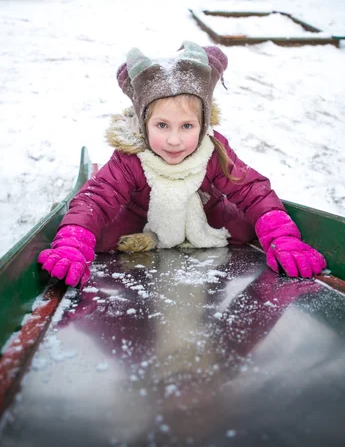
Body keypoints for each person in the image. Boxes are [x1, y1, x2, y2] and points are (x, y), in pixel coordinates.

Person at [38, 42, 327, 288]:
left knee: (243, 229)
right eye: (162, 125)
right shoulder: (130, 157)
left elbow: (251, 190)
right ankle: (79, 240)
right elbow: (99, 199)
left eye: (187, 126)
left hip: (202, 215)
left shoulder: (213, 151)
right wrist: (74, 242)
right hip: (143, 220)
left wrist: (282, 237)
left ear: (202, 126)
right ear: (143, 123)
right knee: (101, 238)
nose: (174, 140)